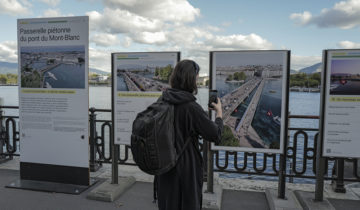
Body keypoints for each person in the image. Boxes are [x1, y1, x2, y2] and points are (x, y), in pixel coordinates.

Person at [156, 59, 223, 210]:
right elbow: (215, 134)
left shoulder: (162, 99)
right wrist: (219, 113)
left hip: (164, 165)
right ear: (191, 79)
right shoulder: (191, 107)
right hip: (185, 167)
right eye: (197, 77)